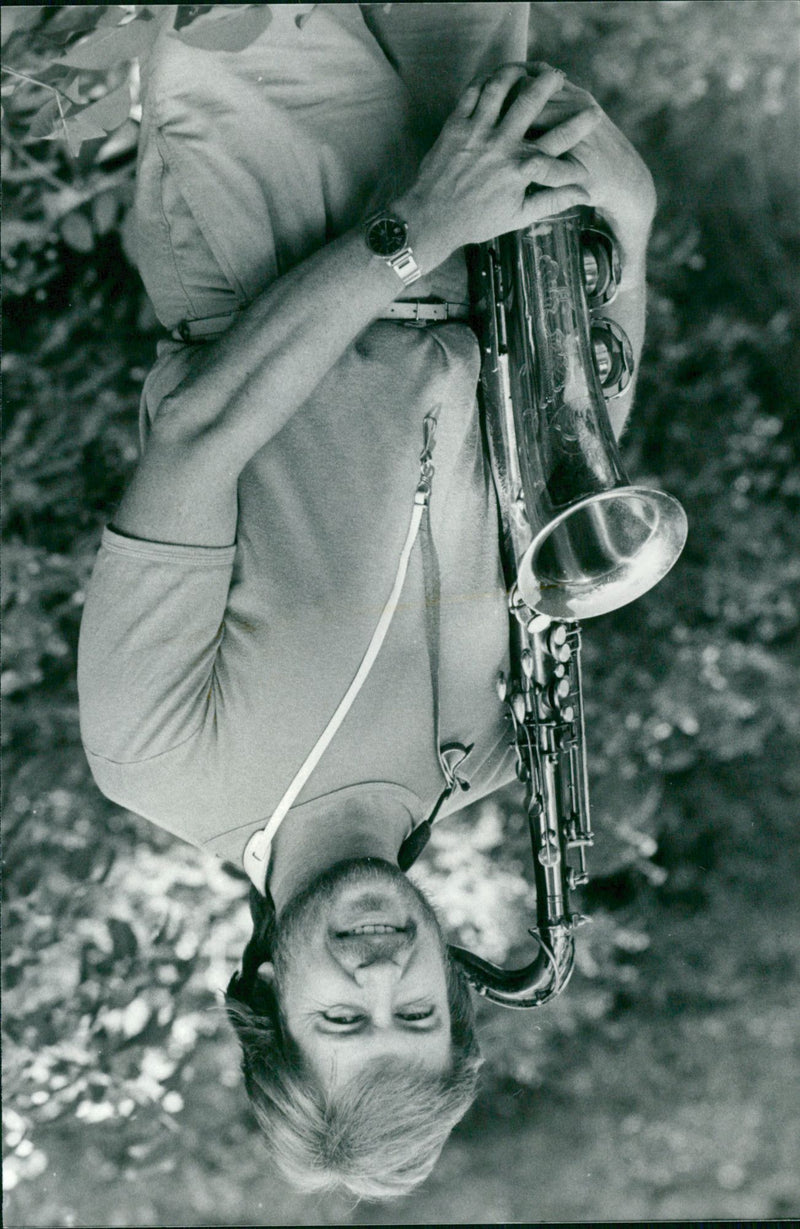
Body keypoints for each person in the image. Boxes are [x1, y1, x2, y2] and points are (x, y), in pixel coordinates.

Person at [77, 1, 657, 1200]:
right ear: (455, 989)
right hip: (493, 226)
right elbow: (567, 464)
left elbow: (194, 434)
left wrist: (418, 227)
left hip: (275, 198)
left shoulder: (158, 761)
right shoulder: (499, 752)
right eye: (413, 1014)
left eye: (342, 1016)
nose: (378, 973)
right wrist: (629, 230)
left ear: (265, 996)